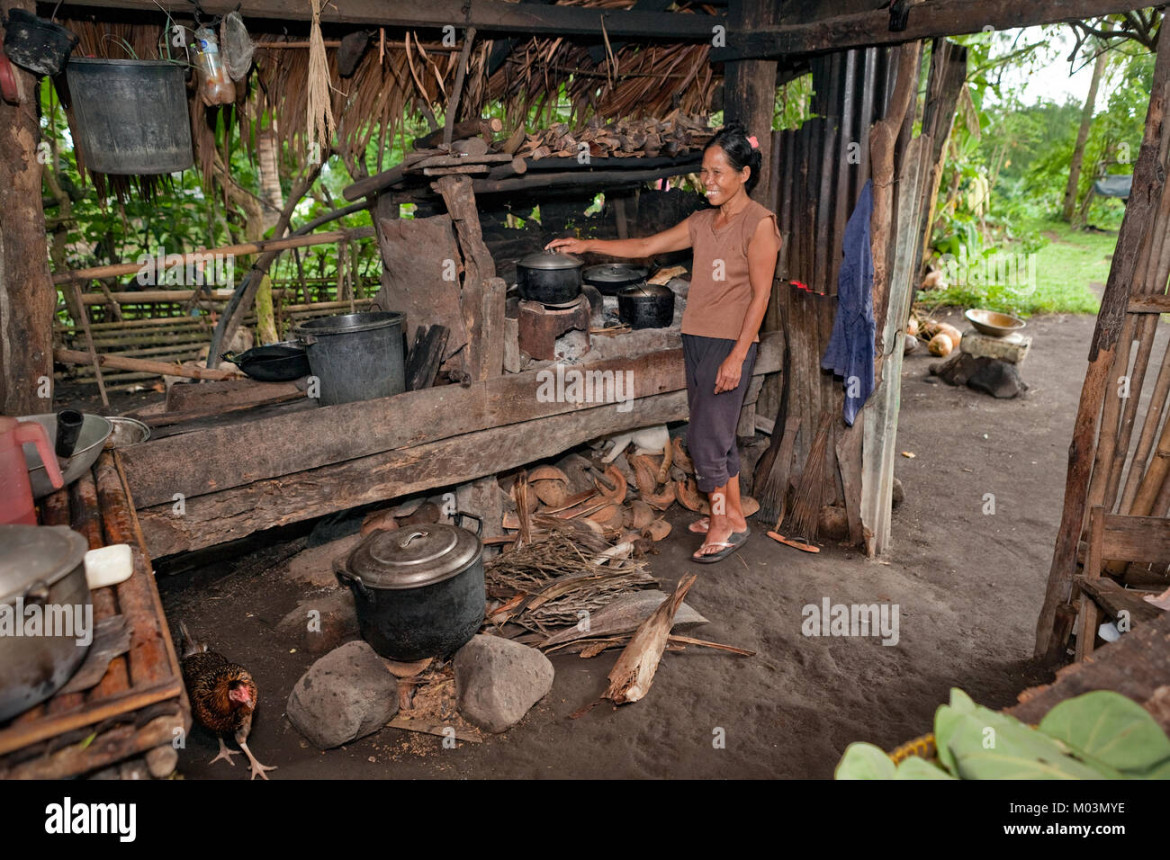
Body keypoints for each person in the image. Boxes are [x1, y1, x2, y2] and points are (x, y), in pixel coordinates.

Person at [547, 123, 781, 563]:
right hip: (696, 338)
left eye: (717, 173)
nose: (707, 181)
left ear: (744, 174)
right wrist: (586, 244)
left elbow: (761, 296)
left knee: (705, 441)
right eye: (704, 172)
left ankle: (719, 527)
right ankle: (734, 518)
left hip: (729, 344)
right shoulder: (701, 222)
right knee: (719, 434)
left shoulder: (759, 224)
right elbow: (648, 245)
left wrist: (736, 355)